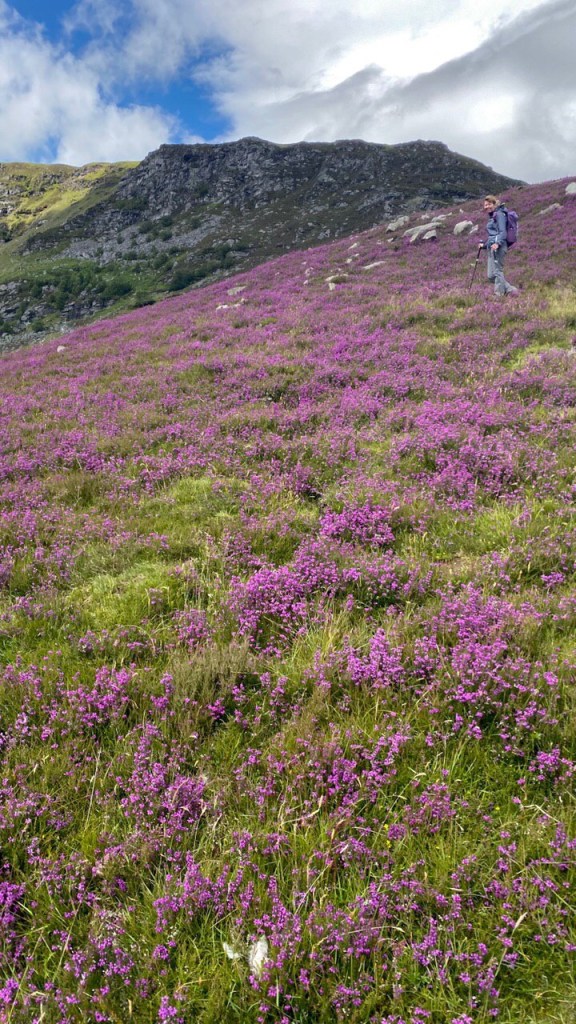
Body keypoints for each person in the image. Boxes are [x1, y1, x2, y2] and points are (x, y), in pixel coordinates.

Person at [478, 195, 518, 297]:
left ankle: (498, 295)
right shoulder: (493, 216)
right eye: (485, 205)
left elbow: (503, 232)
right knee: (491, 276)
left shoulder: (499, 214)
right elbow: (493, 236)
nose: (486, 207)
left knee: (497, 271)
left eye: (489, 204)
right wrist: (484, 245)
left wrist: (498, 243)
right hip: (491, 247)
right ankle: (510, 289)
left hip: (499, 247)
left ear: (494, 204)